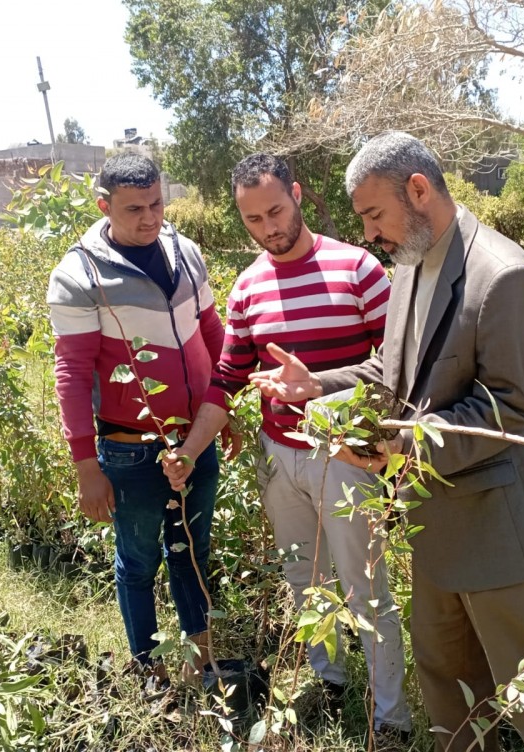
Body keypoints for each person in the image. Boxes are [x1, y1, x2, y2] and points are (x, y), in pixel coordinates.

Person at [248, 133, 524, 752]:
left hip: (495, 526)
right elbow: (393, 374)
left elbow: (505, 408)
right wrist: (317, 384)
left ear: (418, 190)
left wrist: (400, 451)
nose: (369, 233)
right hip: (435, 520)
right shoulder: (415, 263)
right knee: (447, 682)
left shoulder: (503, 276)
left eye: (374, 214)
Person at [162, 153, 413, 742]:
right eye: (253, 219)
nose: (269, 227)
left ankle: (392, 720)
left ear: (297, 195)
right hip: (280, 455)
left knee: (366, 587)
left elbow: (399, 367)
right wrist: (192, 449)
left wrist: (379, 443)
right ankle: (331, 683)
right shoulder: (248, 286)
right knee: (305, 580)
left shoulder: (357, 269)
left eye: (275, 210)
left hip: (347, 456)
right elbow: (225, 379)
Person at [47, 153, 233, 690]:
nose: (150, 218)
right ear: (104, 206)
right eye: (134, 209)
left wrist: (225, 410)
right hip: (131, 450)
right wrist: (86, 464)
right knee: (139, 558)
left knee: (193, 550)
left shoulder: (185, 252)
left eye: (156, 203)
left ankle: (201, 663)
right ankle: (148, 667)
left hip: (196, 437)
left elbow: (211, 332)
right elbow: (74, 373)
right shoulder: (80, 274)